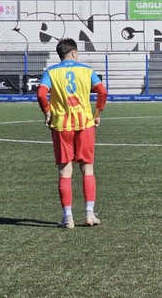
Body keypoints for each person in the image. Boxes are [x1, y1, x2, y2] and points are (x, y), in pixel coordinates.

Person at [37, 38, 108, 229]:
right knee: (87, 169)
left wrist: (47, 113)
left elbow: (41, 94)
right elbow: (102, 91)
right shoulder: (87, 70)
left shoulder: (51, 72)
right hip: (85, 124)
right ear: (74, 53)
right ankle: (89, 214)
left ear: (60, 55)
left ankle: (68, 217)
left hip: (62, 126)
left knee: (64, 172)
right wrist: (97, 113)